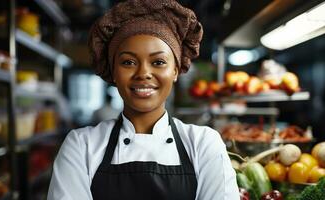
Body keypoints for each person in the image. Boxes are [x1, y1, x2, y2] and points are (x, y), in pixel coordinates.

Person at [48, 0, 239, 199]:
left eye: (158, 62)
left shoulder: (203, 144)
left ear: (175, 70)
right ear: (113, 71)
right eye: (128, 62)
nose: (143, 73)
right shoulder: (82, 146)